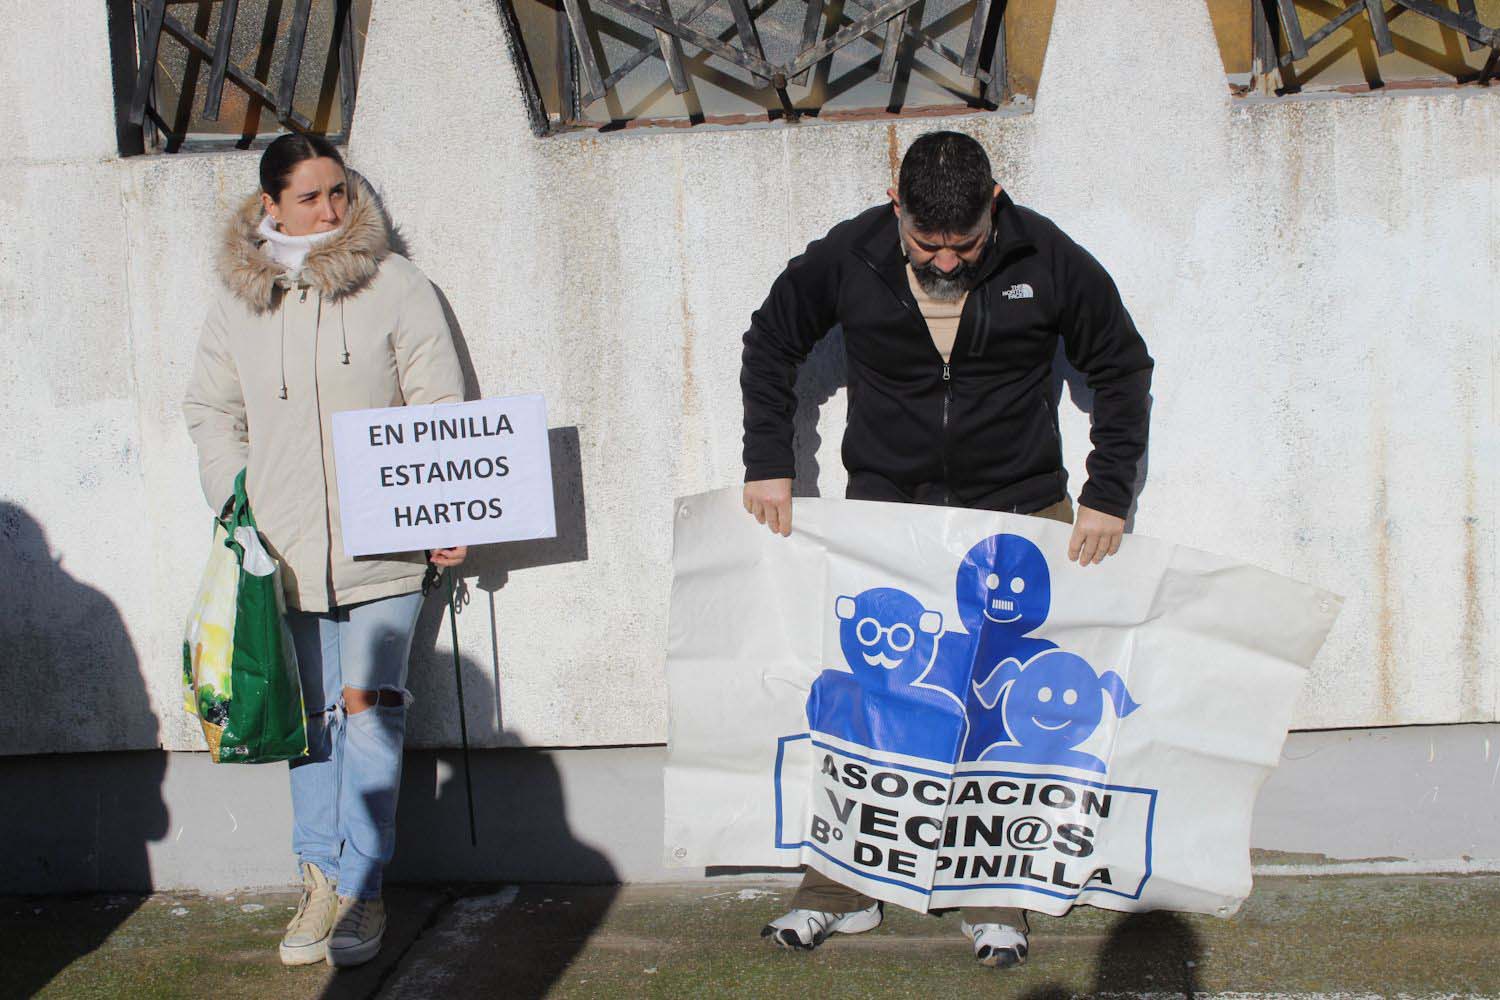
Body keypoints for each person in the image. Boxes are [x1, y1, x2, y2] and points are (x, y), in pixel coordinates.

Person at [740, 130, 1153, 968]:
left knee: (1002, 713)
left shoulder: (1046, 257)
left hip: (1017, 517)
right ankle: (839, 888)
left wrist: (1108, 493)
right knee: (871, 702)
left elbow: (1122, 366)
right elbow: (771, 340)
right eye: (927, 242)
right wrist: (768, 462)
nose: (948, 261)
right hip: (890, 519)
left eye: (965, 243)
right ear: (897, 207)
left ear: (993, 206)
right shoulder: (852, 255)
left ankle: (997, 895)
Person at [183, 134, 467, 969]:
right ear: (270, 204)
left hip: (387, 550)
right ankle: (319, 878)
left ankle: (363, 889)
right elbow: (210, 409)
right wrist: (240, 495)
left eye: (338, 191)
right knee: (307, 721)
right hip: (284, 552)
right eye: (309, 197)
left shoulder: (395, 284)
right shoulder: (241, 300)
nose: (330, 210)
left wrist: (445, 509)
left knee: (371, 713)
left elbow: (438, 404)